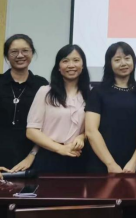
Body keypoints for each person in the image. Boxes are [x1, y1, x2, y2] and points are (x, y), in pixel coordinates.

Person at [0, 34, 48, 180]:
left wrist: (31, 156)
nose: (20, 55)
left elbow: (46, 126)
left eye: (25, 50)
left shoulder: (41, 84)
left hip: (30, 159)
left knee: (31, 194)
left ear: (32, 53)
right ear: (7, 55)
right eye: (14, 52)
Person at [26, 44, 89, 174]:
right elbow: (31, 131)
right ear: (59, 67)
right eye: (65, 61)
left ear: (83, 65)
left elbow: (92, 129)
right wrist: (60, 149)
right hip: (49, 157)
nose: (71, 65)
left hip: (78, 157)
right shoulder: (45, 92)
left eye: (76, 60)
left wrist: (81, 137)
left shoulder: (90, 94)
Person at [86, 42, 136, 174]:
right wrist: (110, 164)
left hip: (133, 165)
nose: (123, 63)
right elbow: (91, 130)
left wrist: (134, 162)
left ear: (134, 61)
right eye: (117, 60)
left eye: (127, 58)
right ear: (109, 64)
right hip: (101, 163)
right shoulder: (98, 91)